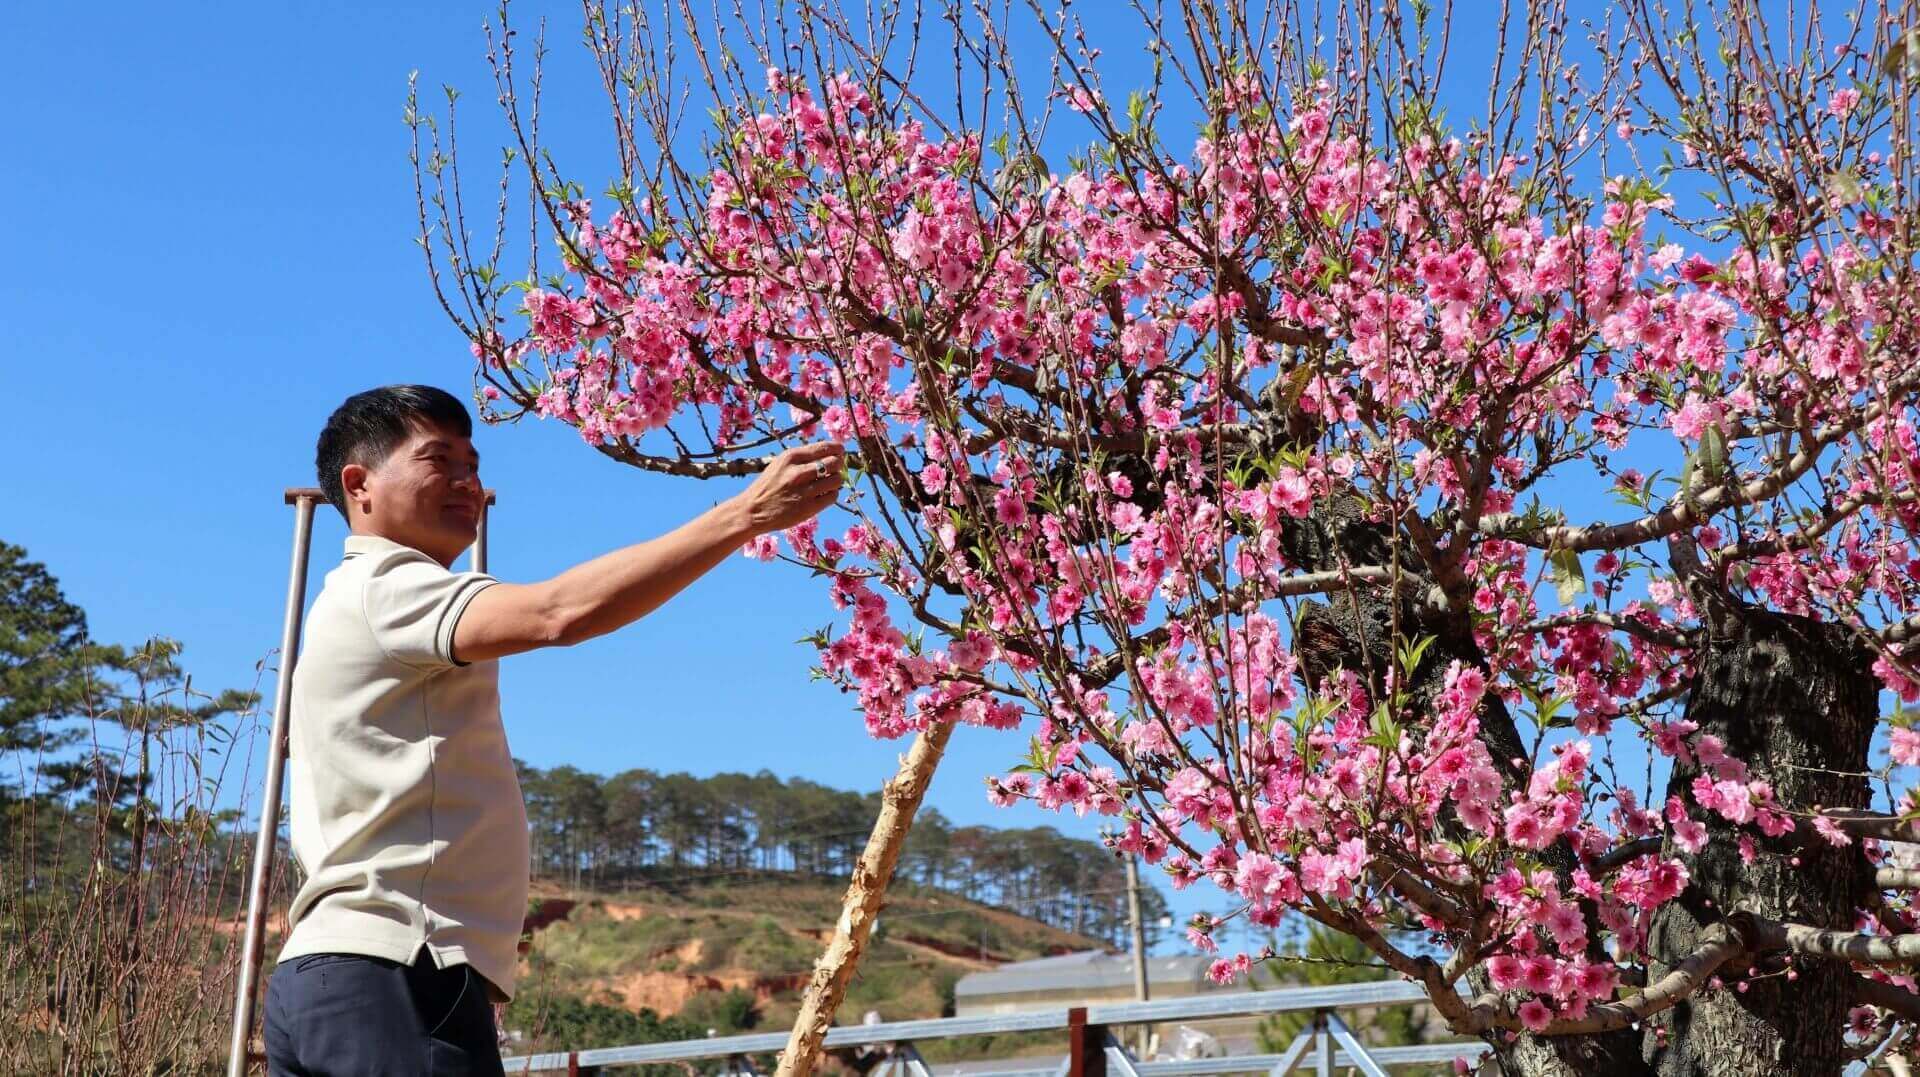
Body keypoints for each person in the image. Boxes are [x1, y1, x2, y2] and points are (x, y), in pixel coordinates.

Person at [263, 385, 842, 1075]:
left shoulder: (340, 603)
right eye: (438, 459)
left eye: (472, 464)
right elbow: (558, 613)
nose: (467, 482)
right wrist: (742, 515)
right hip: (397, 969)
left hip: (324, 977)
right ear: (358, 485)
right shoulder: (390, 586)